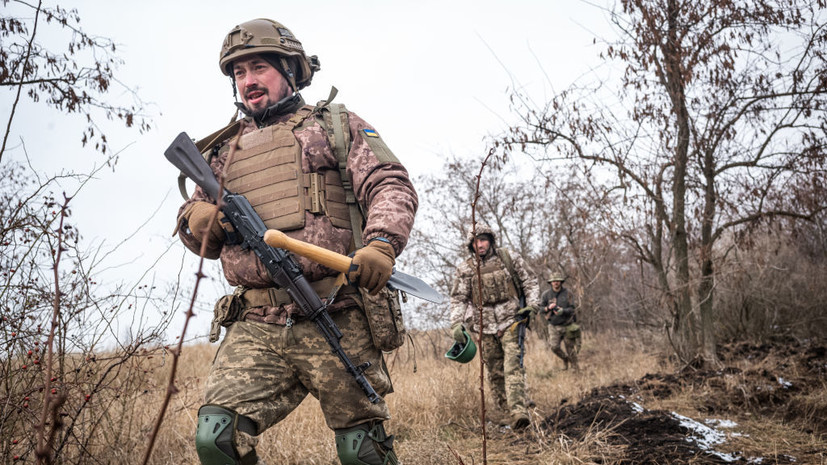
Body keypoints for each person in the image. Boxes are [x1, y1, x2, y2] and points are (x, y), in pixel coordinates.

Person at [174, 19, 418, 465]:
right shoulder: (222, 151)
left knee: (362, 449)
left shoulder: (334, 125)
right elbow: (195, 228)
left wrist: (382, 244)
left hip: (335, 309)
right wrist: (200, 218)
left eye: (259, 68)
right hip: (256, 321)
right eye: (239, 72)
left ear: (290, 69)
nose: (248, 80)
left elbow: (390, 183)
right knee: (216, 437)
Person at [448, 224, 540, 430]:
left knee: (513, 366)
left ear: (490, 240)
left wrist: (533, 305)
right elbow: (458, 298)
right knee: (495, 371)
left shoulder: (508, 258)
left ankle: (519, 412)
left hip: (511, 320)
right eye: (475, 241)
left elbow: (530, 281)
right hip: (484, 327)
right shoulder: (465, 269)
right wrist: (456, 323)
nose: (479, 245)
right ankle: (505, 412)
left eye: (483, 240)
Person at [539, 272, 581, 371]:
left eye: (558, 280)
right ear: (551, 283)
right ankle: (565, 359)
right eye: (554, 281)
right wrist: (548, 308)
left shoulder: (568, 293)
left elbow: (572, 309)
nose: (556, 283)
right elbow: (540, 309)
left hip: (567, 325)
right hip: (553, 325)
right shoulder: (546, 295)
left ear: (561, 282)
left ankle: (576, 369)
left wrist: (563, 311)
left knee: (570, 348)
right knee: (554, 347)